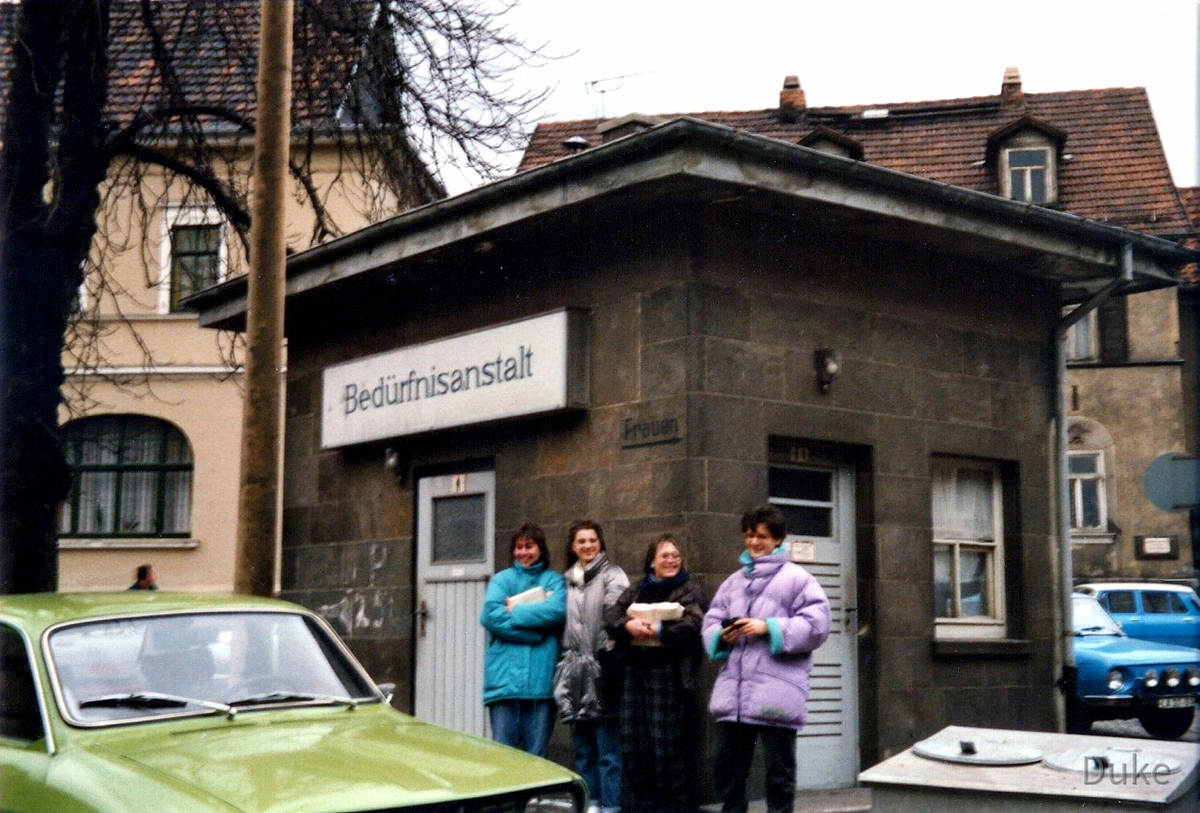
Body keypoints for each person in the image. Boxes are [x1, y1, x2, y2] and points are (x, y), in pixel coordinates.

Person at [702, 505, 832, 813]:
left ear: (777, 539)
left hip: (779, 691)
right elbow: (711, 621)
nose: (753, 542)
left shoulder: (798, 579)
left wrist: (769, 628)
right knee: (728, 772)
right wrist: (722, 635)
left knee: (779, 775)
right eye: (749, 535)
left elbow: (817, 625)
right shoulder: (733, 582)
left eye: (761, 536)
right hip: (734, 693)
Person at [605, 535, 707, 813]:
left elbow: (695, 623)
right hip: (634, 672)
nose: (671, 560)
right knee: (634, 741)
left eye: (675, 556)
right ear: (652, 561)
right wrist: (627, 626)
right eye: (665, 556)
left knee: (666, 745)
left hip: (668, 674)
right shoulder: (637, 589)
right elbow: (611, 615)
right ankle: (643, 803)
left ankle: (671, 805)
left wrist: (661, 631)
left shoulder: (690, 589)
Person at [553, 520, 629, 813]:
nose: (588, 546)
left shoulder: (613, 575)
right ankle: (592, 803)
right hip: (573, 672)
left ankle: (610, 806)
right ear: (573, 547)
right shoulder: (566, 580)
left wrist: (602, 654)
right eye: (581, 541)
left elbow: (615, 617)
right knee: (583, 747)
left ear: (600, 543)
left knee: (607, 749)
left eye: (592, 540)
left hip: (602, 669)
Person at [480, 522, 566, 756]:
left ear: (541, 549)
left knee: (536, 756)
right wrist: (534, 633)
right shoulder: (501, 580)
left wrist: (515, 610)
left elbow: (556, 611)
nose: (524, 552)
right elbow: (490, 616)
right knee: (503, 755)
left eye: (530, 546)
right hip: (504, 683)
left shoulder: (553, 580)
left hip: (540, 683)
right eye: (519, 547)